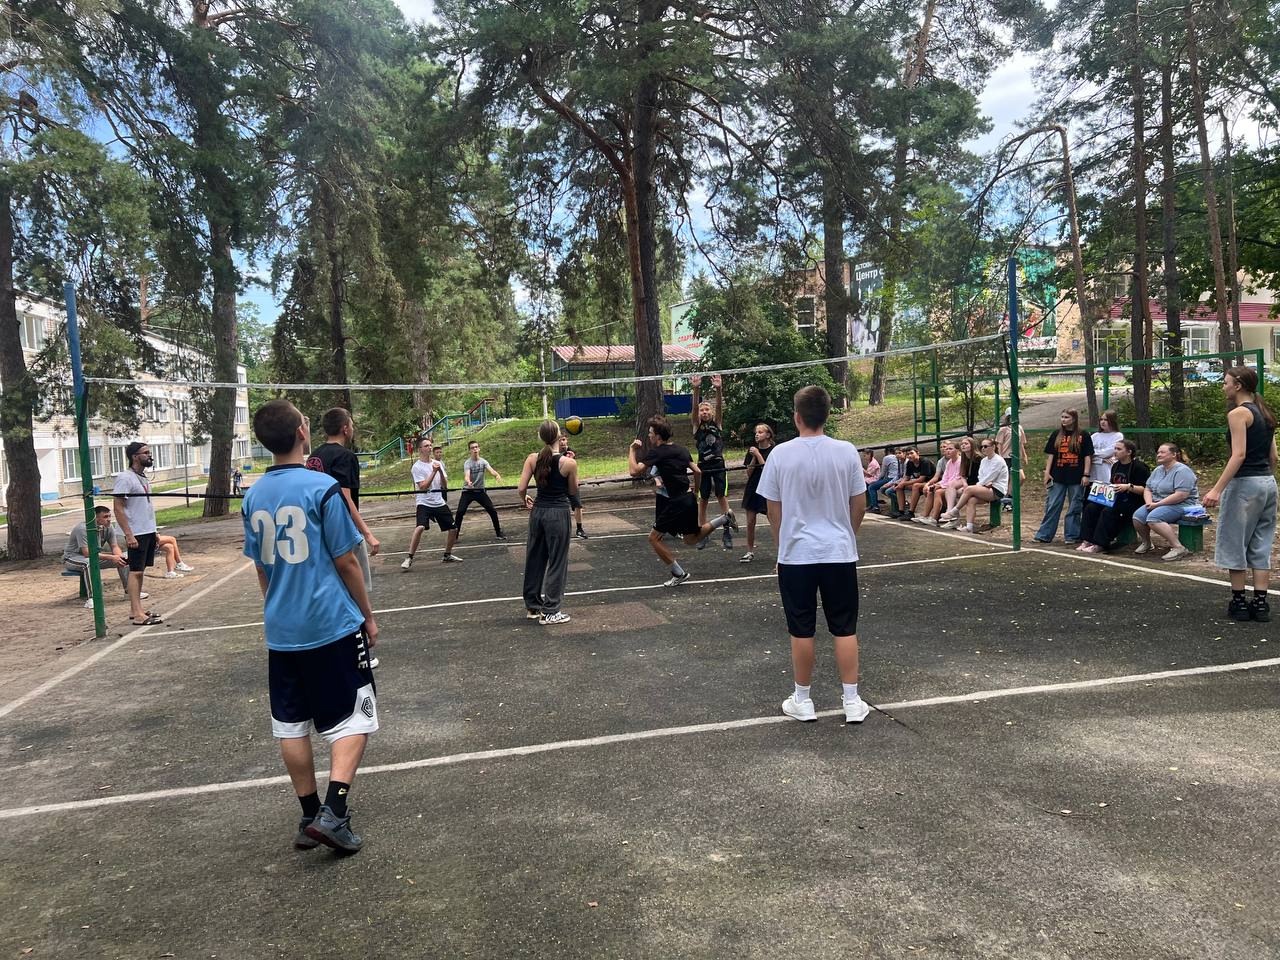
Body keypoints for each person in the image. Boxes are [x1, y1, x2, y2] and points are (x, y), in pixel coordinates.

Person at [242, 399, 379, 855]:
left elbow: (261, 568)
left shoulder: (253, 496)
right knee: (356, 715)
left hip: (282, 630)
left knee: (291, 724)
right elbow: (347, 561)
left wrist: (278, 607)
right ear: (303, 432)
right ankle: (334, 812)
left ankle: (309, 814)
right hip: (330, 624)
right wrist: (367, 616)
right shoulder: (322, 488)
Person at [756, 385, 870, 725]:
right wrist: (845, 535)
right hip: (838, 552)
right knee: (844, 627)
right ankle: (852, 701)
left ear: (797, 416)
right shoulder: (846, 451)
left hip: (797, 555)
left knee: (801, 628)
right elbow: (859, 504)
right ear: (827, 415)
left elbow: (773, 510)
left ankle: (803, 700)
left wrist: (783, 547)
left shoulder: (780, 455)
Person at [1204, 366, 1278, 621]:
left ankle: (1239, 602)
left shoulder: (1238, 414)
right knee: (1261, 543)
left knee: (1234, 541)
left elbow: (1239, 454)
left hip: (1245, 484)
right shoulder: (1265, 413)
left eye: (1226, 382)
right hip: (1267, 483)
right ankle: (1261, 603)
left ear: (1237, 385)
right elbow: (1273, 457)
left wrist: (1216, 489)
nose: (1223, 386)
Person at [628, 415, 736, 586]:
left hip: (677, 501)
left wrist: (632, 450)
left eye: (650, 433)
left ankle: (678, 573)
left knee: (654, 538)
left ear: (658, 436)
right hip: (688, 498)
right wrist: (696, 491)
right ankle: (725, 518)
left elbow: (634, 471)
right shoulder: (681, 449)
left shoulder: (658, 452)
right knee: (690, 539)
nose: (649, 435)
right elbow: (697, 471)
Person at [306, 408, 380, 594]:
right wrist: (367, 534)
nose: (353, 429)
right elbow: (345, 498)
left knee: (331, 587)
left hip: (319, 531)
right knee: (357, 589)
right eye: (352, 425)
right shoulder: (345, 456)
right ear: (345, 429)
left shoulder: (314, 456)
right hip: (344, 531)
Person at [517, 420, 579, 624]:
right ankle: (551, 610)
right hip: (557, 513)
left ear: (540, 437)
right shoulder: (568, 463)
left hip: (538, 512)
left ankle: (533, 606)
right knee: (557, 561)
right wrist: (571, 467)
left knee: (534, 558)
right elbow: (573, 491)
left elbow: (521, 488)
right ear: (559, 437)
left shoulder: (532, 459)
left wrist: (525, 498)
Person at [113, 440, 162, 625]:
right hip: (136, 532)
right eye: (145, 453)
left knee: (140, 571)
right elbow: (118, 507)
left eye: (149, 452)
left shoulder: (142, 477)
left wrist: (154, 531)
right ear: (135, 456)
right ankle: (137, 614)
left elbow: (146, 507)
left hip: (147, 530)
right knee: (135, 571)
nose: (149, 456)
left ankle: (136, 610)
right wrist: (129, 534)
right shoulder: (125, 478)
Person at [1132, 442, 1200, 561]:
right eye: (1158, 452)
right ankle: (1147, 543)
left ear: (1174, 454)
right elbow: (1148, 488)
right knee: (1138, 517)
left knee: (1154, 518)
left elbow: (1181, 495)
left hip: (1182, 504)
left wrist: (1157, 504)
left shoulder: (1183, 471)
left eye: (1162, 452)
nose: (1158, 455)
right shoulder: (1158, 470)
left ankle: (1178, 547)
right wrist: (1149, 502)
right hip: (1157, 503)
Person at [1078, 439, 1148, 554]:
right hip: (1115, 498)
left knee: (1109, 511)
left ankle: (1100, 543)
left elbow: (1145, 489)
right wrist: (1100, 489)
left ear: (1129, 452)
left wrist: (1128, 487)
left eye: (1119, 449)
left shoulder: (1139, 467)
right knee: (1091, 507)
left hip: (1132, 501)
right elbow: (1112, 485)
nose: (1115, 451)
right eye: (1115, 448)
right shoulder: (1115, 466)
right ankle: (1087, 540)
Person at [1034, 408, 1094, 544]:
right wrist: (1047, 472)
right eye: (1062, 417)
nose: (1063, 420)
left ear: (1074, 419)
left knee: (1074, 506)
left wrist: (1086, 474)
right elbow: (1051, 455)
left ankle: (1072, 535)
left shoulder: (1083, 435)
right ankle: (1044, 535)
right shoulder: (1056, 434)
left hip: (1076, 476)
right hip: (1058, 476)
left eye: (1067, 417)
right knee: (1053, 505)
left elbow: (1087, 456)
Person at [400, 443, 461, 569]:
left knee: (453, 529)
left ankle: (447, 555)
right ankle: (409, 557)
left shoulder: (438, 463)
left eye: (430, 445)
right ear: (420, 449)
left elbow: (444, 485)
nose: (430, 447)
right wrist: (434, 471)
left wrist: (439, 471)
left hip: (438, 501)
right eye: (426, 445)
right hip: (424, 502)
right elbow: (423, 487)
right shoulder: (416, 467)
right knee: (420, 527)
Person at [692, 374, 733, 551]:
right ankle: (703, 533)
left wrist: (718, 389)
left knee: (721, 496)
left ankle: (727, 531)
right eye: (702, 410)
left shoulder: (717, 423)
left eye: (707, 409)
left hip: (718, 465)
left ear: (712, 412)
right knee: (703, 500)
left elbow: (719, 407)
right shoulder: (696, 425)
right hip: (703, 467)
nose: (704, 412)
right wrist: (696, 389)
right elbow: (694, 408)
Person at [64, 505, 130, 606]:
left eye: (109, 516)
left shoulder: (108, 527)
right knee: (88, 563)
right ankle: (92, 598)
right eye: (105, 517)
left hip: (95, 556)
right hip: (73, 558)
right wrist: (112, 557)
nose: (109, 519)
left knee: (126, 558)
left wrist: (119, 557)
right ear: (96, 518)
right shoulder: (82, 529)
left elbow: (114, 546)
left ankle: (129, 591)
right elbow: (87, 553)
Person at [941, 439, 1010, 533]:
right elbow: (980, 476)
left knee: (969, 489)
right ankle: (969, 527)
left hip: (997, 490)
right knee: (971, 500)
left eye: (986, 446)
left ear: (993, 447)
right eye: (982, 446)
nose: (983, 448)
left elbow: (991, 476)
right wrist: (981, 485)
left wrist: (978, 486)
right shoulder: (984, 460)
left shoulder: (998, 460)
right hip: (985, 487)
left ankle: (954, 511)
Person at [454, 439, 506, 541]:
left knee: (492, 510)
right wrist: (468, 482)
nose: (475, 449)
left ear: (479, 449)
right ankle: (454, 536)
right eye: (472, 448)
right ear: (469, 450)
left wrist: (497, 476)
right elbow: (467, 475)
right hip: (468, 492)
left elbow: (492, 471)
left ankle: (498, 533)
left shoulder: (483, 462)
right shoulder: (467, 463)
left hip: (480, 492)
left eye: (476, 447)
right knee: (460, 512)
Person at [739, 421, 776, 562]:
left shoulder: (774, 451)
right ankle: (749, 551)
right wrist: (754, 456)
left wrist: (758, 454)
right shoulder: (752, 451)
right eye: (756, 432)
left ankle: (781, 550)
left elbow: (768, 470)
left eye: (760, 432)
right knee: (750, 522)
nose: (757, 435)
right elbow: (749, 473)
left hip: (768, 489)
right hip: (753, 488)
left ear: (768, 435)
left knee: (774, 520)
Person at [913, 440, 962, 526]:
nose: (947, 450)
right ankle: (925, 516)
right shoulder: (949, 462)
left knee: (938, 492)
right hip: (948, 485)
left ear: (958, 450)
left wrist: (941, 485)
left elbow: (956, 478)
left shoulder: (960, 461)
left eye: (950, 449)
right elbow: (945, 478)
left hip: (957, 485)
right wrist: (936, 484)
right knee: (931, 490)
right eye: (946, 449)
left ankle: (934, 518)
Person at [558, 432, 589, 539]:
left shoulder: (570, 451)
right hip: (558, 483)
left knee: (577, 505)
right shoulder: (554, 453)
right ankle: (559, 529)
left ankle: (579, 529)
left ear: (567, 440)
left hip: (570, 482)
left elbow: (572, 468)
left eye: (563, 439)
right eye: (559, 440)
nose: (562, 442)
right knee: (559, 506)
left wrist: (571, 459)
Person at [893, 448, 935, 521]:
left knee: (916, 486)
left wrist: (904, 483)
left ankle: (911, 512)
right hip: (920, 483)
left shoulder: (925, 462)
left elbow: (921, 479)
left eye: (911, 453)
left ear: (917, 453)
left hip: (930, 482)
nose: (909, 456)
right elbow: (907, 477)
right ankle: (901, 511)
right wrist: (900, 483)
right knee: (899, 486)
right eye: (908, 454)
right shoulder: (910, 463)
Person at [1090, 410, 1124, 485]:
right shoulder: (1095, 436)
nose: (1103, 422)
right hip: (1092, 475)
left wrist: (1094, 454)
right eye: (1101, 419)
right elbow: (1087, 453)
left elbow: (1108, 453)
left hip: (1107, 475)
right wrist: (1101, 460)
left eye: (1106, 420)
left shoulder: (1118, 436)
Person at [867, 446, 900, 515]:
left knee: (872, 487)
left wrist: (877, 480)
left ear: (887, 451)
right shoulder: (897, 456)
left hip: (891, 478)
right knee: (882, 488)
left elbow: (883, 473)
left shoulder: (887, 458)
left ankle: (875, 507)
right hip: (897, 477)